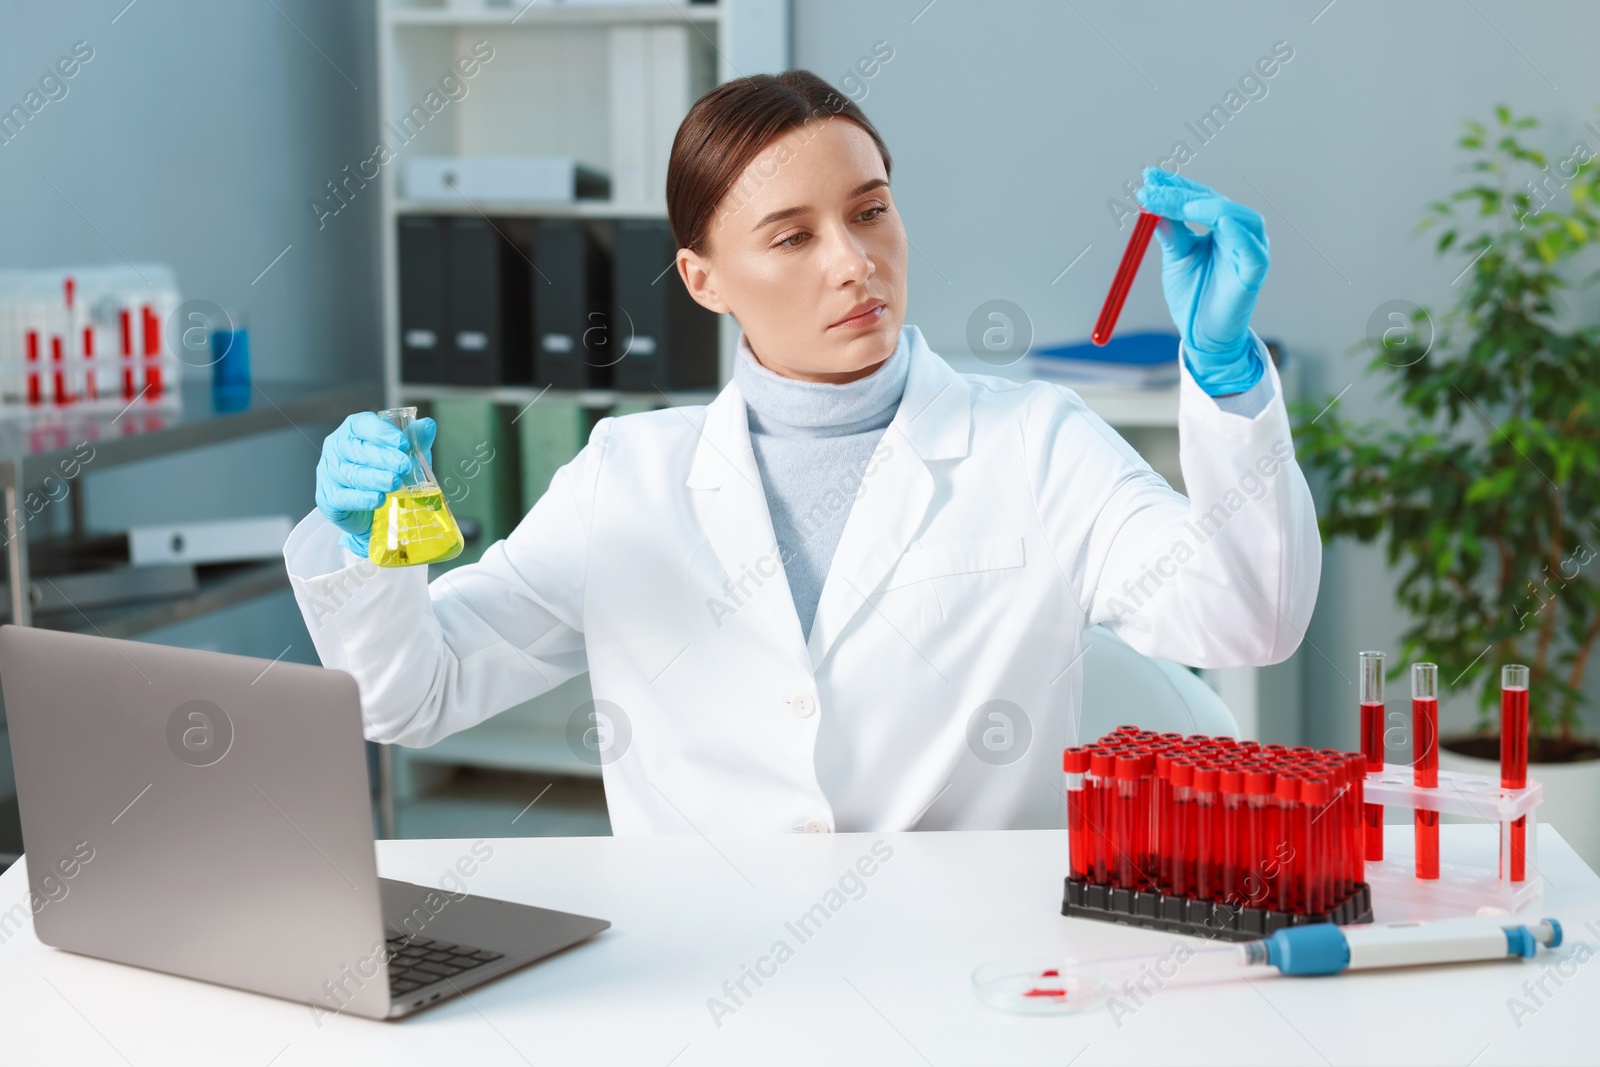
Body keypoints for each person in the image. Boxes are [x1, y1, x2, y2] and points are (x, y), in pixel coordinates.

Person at [287, 70, 1319, 835]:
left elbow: (1246, 618)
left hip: (969, 969)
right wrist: (359, 548)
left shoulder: (1037, 442)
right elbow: (411, 697)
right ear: (703, 279)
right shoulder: (626, 478)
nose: (854, 261)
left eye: (869, 211)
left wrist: (1226, 377)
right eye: (791, 236)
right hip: (698, 970)